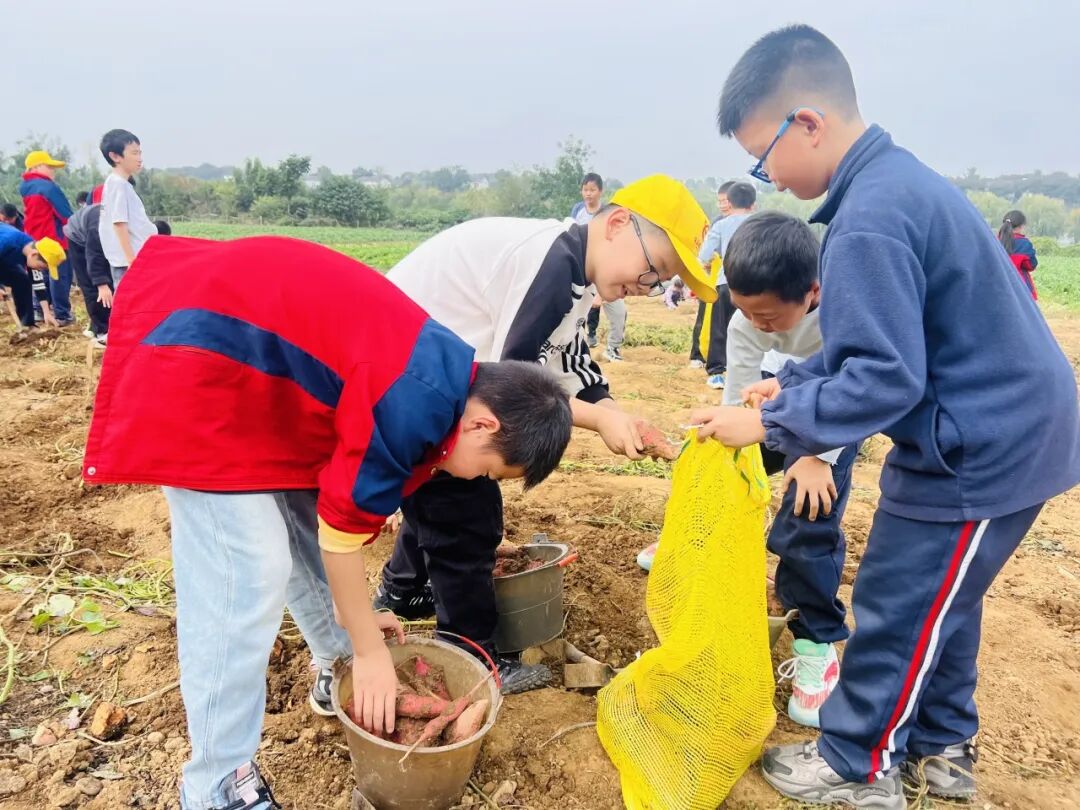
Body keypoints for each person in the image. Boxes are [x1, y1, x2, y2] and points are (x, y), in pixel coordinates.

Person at [692, 24, 1080, 808]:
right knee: (943, 597)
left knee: (898, 600)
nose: (767, 178)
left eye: (763, 159)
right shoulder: (893, 186)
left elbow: (886, 378)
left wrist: (768, 427)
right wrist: (794, 388)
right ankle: (941, 745)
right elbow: (880, 346)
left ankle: (855, 764)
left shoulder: (869, 216)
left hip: (981, 443)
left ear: (808, 122)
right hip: (992, 426)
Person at [81, 234, 574, 810]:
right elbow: (341, 537)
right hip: (197, 358)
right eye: (489, 471)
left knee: (293, 521)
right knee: (249, 570)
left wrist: (354, 627)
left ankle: (333, 665)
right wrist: (367, 648)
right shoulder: (413, 405)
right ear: (483, 426)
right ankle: (215, 786)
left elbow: (323, 518)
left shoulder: (449, 377)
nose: (477, 480)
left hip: (252, 376)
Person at [375, 174, 717, 693]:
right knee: (467, 516)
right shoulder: (551, 264)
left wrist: (615, 412)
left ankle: (402, 592)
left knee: (438, 494)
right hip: (416, 388)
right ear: (618, 224)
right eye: (653, 271)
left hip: (436, 390)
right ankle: (472, 654)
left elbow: (570, 362)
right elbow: (514, 384)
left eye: (657, 283)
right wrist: (599, 420)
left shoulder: (575, 274)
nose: (646, 287)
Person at [697, 181, 756, 389]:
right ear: (753, 204)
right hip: (755, 284)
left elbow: (704, 256)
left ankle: (716, 372)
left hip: (726, 282)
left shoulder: (721, 225)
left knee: (719, 328)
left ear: (729, 202)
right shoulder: (761, 223)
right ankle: (749, 372)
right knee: (753, 327)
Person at [575, 174, 629, 361]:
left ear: (600, 191)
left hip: (605, 270)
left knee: (619, 312)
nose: (588, 193)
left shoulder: (607, 213)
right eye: (585, 190)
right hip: (581, 270)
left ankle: (613, 348)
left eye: (592, 190)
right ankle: (576, 349)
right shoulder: (578, 211)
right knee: (574, 313)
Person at [19, 150, 75, 326]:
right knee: (60, 276)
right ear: (36, 167)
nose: (53, 171)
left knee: (40, 275)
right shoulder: (48, 187)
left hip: (35, 240)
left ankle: (38, 309)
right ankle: (62, 314)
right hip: (54, 240)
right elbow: (65, 215)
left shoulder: (25, 187)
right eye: (49, 166)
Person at [97, 129, 156, 288]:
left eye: (140, 153)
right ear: (115, 156)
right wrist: (131, 260)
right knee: (130, 299)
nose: (139, 158)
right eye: (134, 153)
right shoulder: (118, 185)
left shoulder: (118, 183)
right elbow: (119, 223)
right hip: (129, 261)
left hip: (131, 258)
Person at [690, 179, 737, 368]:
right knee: (706, 316)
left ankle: (727, 358)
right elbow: (706, 253)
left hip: (736, 279)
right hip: (715, 278)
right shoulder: (718, 223)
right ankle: (698, 355)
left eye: (726, 201)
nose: (723, 205)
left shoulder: (746, 222)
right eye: (720, 201)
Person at [63, 188, 113, 344]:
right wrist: (101, 284)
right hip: (78, 238)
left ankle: (99, 324)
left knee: (112, 281)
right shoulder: (99, 225)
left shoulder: (135, 225)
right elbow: (94, 255)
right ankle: (102, 331)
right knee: (93, 286)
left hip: (99, 237)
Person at [0, 224, 66, 330]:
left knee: (23, 281)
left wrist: (46, 312)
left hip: (4, 259)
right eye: (41, 267)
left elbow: (37, 282)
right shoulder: (7, 242)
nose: (40, 270)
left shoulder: (31, 250)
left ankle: (27, 325)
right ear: (34, 254)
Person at [998, 209, 1038, 300]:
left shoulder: (995, 242)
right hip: (1021, 288)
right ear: (1021, 226)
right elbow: (1031, 265)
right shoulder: (1024, 244)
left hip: (999, 285)